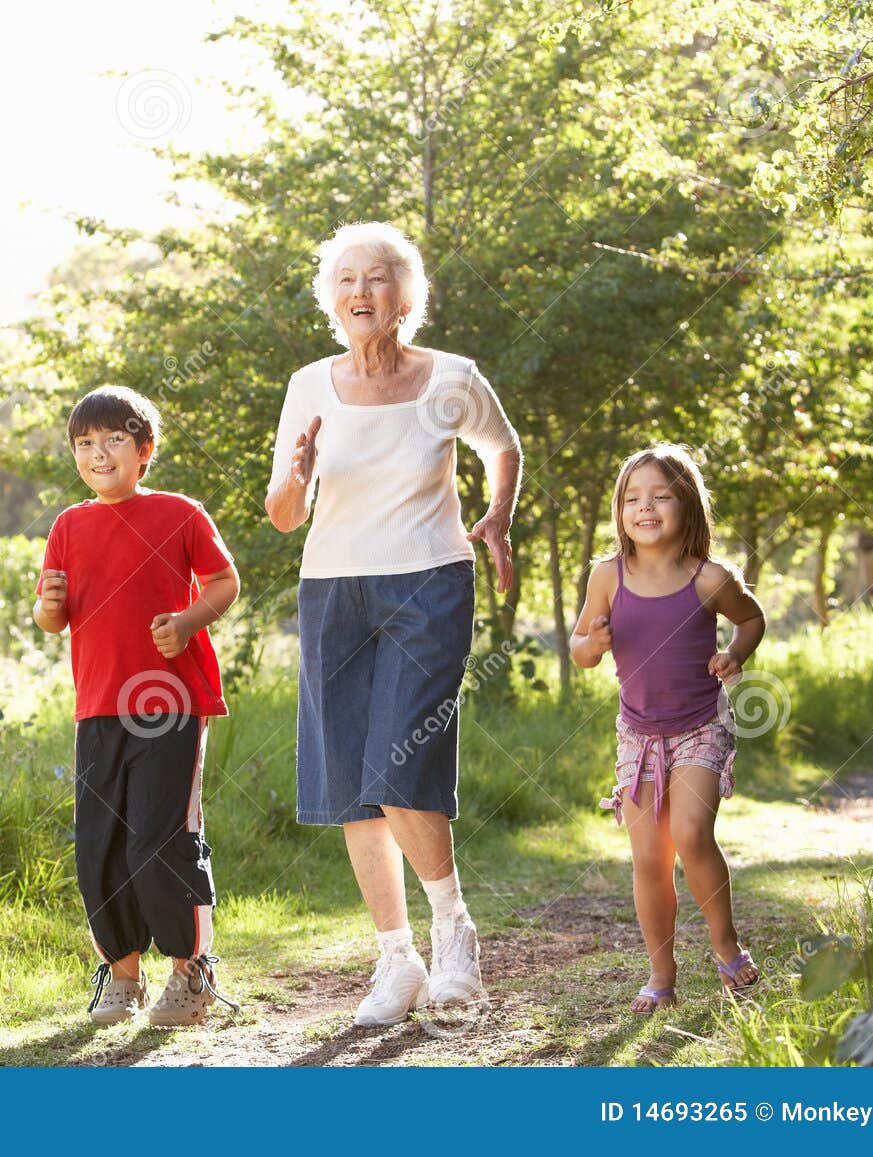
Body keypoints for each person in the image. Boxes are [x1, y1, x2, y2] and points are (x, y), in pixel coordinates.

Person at [265, 221, 522, 1027]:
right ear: (330, 301)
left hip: (429, 580)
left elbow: (502, 444)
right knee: (350, 778)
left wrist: (499, 516)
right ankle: (395, 956)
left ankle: (453, 930)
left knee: (400, 757)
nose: (360, 291)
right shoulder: (309, 384)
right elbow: (280, 515)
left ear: (406, 297)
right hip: (333, 587)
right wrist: (297, 480)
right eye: (345, 280)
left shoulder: (451, 376)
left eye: (377, 278)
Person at [34, 385, 241, 1028]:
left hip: (169, 703)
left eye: (113, 440)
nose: (98, 454)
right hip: (96, 707)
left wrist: (186, 622)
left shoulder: (179, 513)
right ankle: (122, 976)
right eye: (85, 444)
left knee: (162, 838)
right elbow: (51, 619)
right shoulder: (69, 524)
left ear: (143, 450)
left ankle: (190, 973)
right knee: (100, 842)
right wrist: (45, 604)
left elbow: (225, 582)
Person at [570, 443, 767, 1013]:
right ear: (619, 511)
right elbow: (581, 650)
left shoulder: (708, 578)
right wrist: (593, 643)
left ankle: (726, 945)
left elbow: (750, 618)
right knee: (648, 858)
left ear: (688, 505)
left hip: (700, 725)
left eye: (660, 496)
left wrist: (736, 655)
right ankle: (662, 973)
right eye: (632, 498)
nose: (645, 507)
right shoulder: (607, 576)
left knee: (690, 834)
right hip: (638, 734)